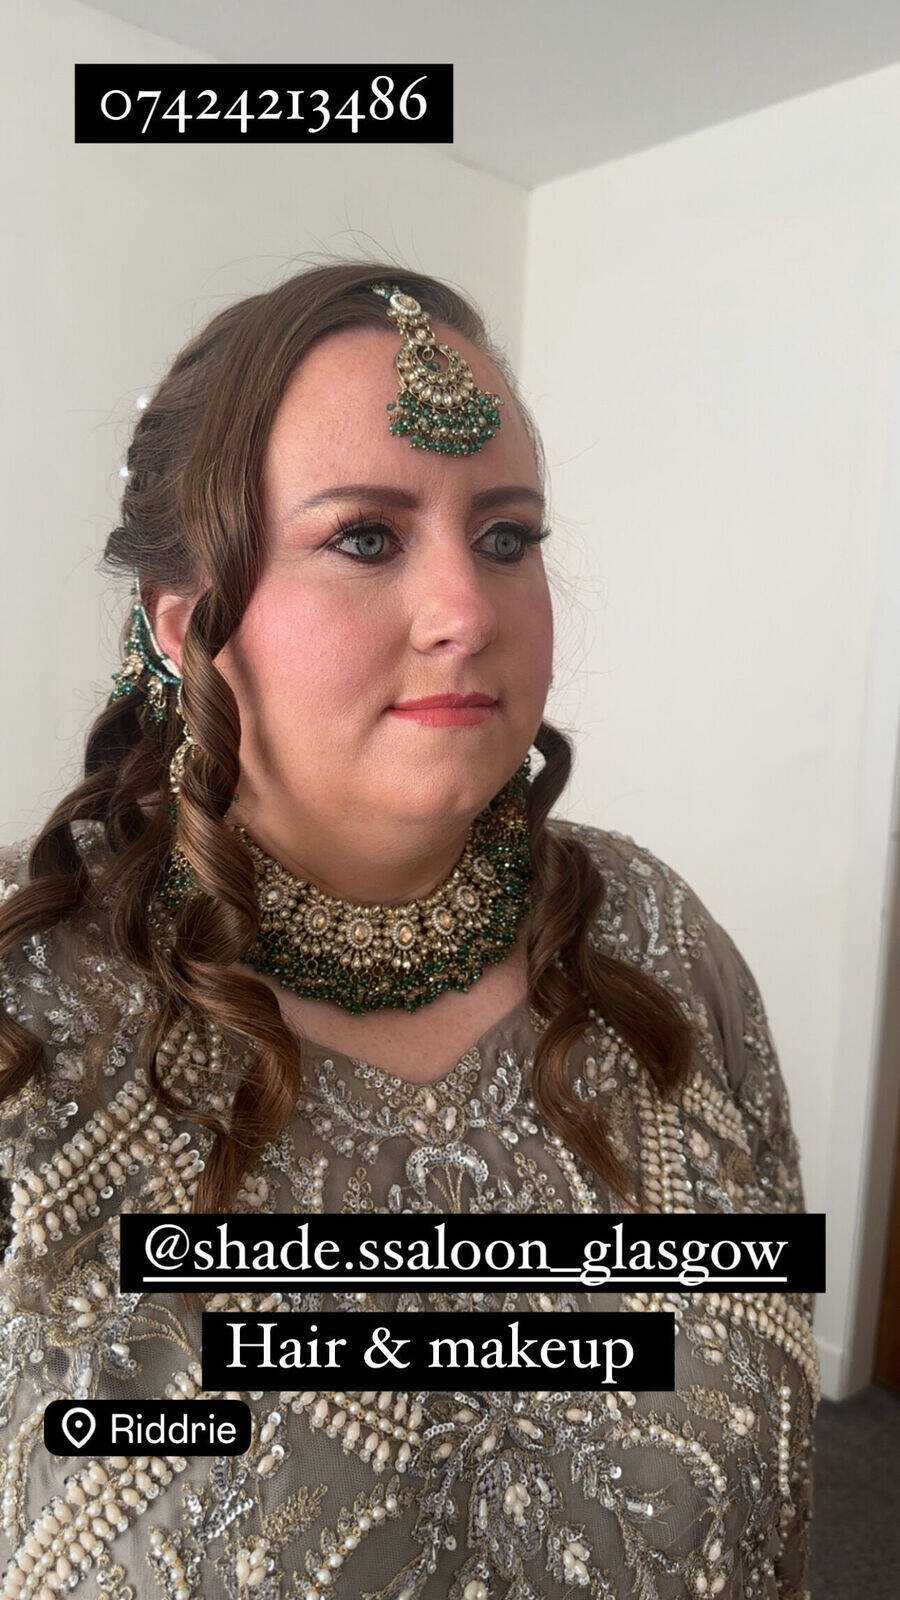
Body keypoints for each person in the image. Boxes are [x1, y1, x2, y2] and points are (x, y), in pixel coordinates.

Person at [0, 261, 818, 1600]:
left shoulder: (660, 947)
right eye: (368, 539)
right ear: (186, 627)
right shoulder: (30, 1000)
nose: (469, 612)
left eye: (507, 537)